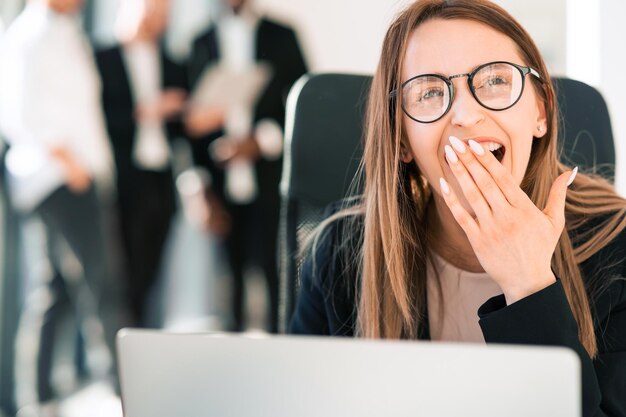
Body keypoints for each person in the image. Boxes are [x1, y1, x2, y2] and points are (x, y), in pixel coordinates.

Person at [289, 1, 626, 416]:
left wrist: (529, 284)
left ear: (541, 111)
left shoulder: (620, 246)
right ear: (401, 139)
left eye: (496, 80)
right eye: (430, 91)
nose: (466, 115)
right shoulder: (340, 251)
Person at [0, 0, 127, 407]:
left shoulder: (67, 32)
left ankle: (34, 399)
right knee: (101, 282)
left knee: (54, 289)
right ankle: (121, 388)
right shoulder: (28, 35)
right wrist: (72, 165)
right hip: (60, 180)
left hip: (79, 177)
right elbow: (18, 114)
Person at [185, 0, 307, 332]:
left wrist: (262, 140)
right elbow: (189, 128)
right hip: (219, 185)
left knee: (278, 276)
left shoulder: (282, 36)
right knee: (228, 284)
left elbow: (305, 104)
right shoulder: (199, 42)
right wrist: (197, 186)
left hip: (271, 180)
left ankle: (280, 358)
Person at [95, 0, 187, 326]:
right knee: (122, 277)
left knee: (152, 274)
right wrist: (146, 111)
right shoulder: (101, 59)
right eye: (152, 11)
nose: (157, 21)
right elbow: (97, 119)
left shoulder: (172, 63)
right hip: (121, 182)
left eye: (164, 15)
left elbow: (183, 130)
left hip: (160, 180)